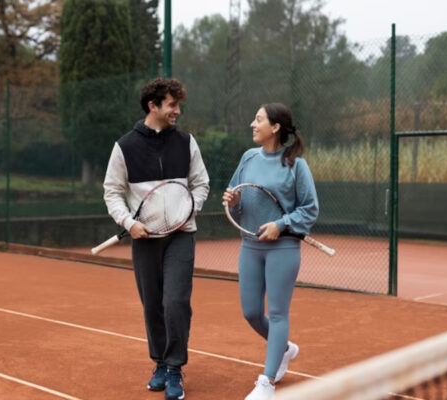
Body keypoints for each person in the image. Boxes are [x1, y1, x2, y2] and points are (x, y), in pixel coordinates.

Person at [103, 78, 210, 400]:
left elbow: (201, 184)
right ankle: (160, 363)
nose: (178, 111)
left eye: (178, 105)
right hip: (144, 239)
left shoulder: (187, 142)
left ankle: (175, 367)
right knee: (152, 306)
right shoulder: (124, 147)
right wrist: (128, 223)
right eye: (172, 105)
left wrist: (187, 213)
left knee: (175, 302)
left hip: (181, 238)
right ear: (153, 106)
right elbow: (112, 191)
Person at [222, 103, 318, 400]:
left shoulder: (296, 165)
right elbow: (236, 199)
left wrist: (281, 223)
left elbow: (310, 209)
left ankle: (266, 383)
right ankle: (285, 349)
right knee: (251, 312)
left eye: (259, 120)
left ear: (275, 127)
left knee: (277, 314)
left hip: (283, 248)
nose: (253, 124)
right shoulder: (248, 158)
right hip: (249, 246)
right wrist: (233, 201)